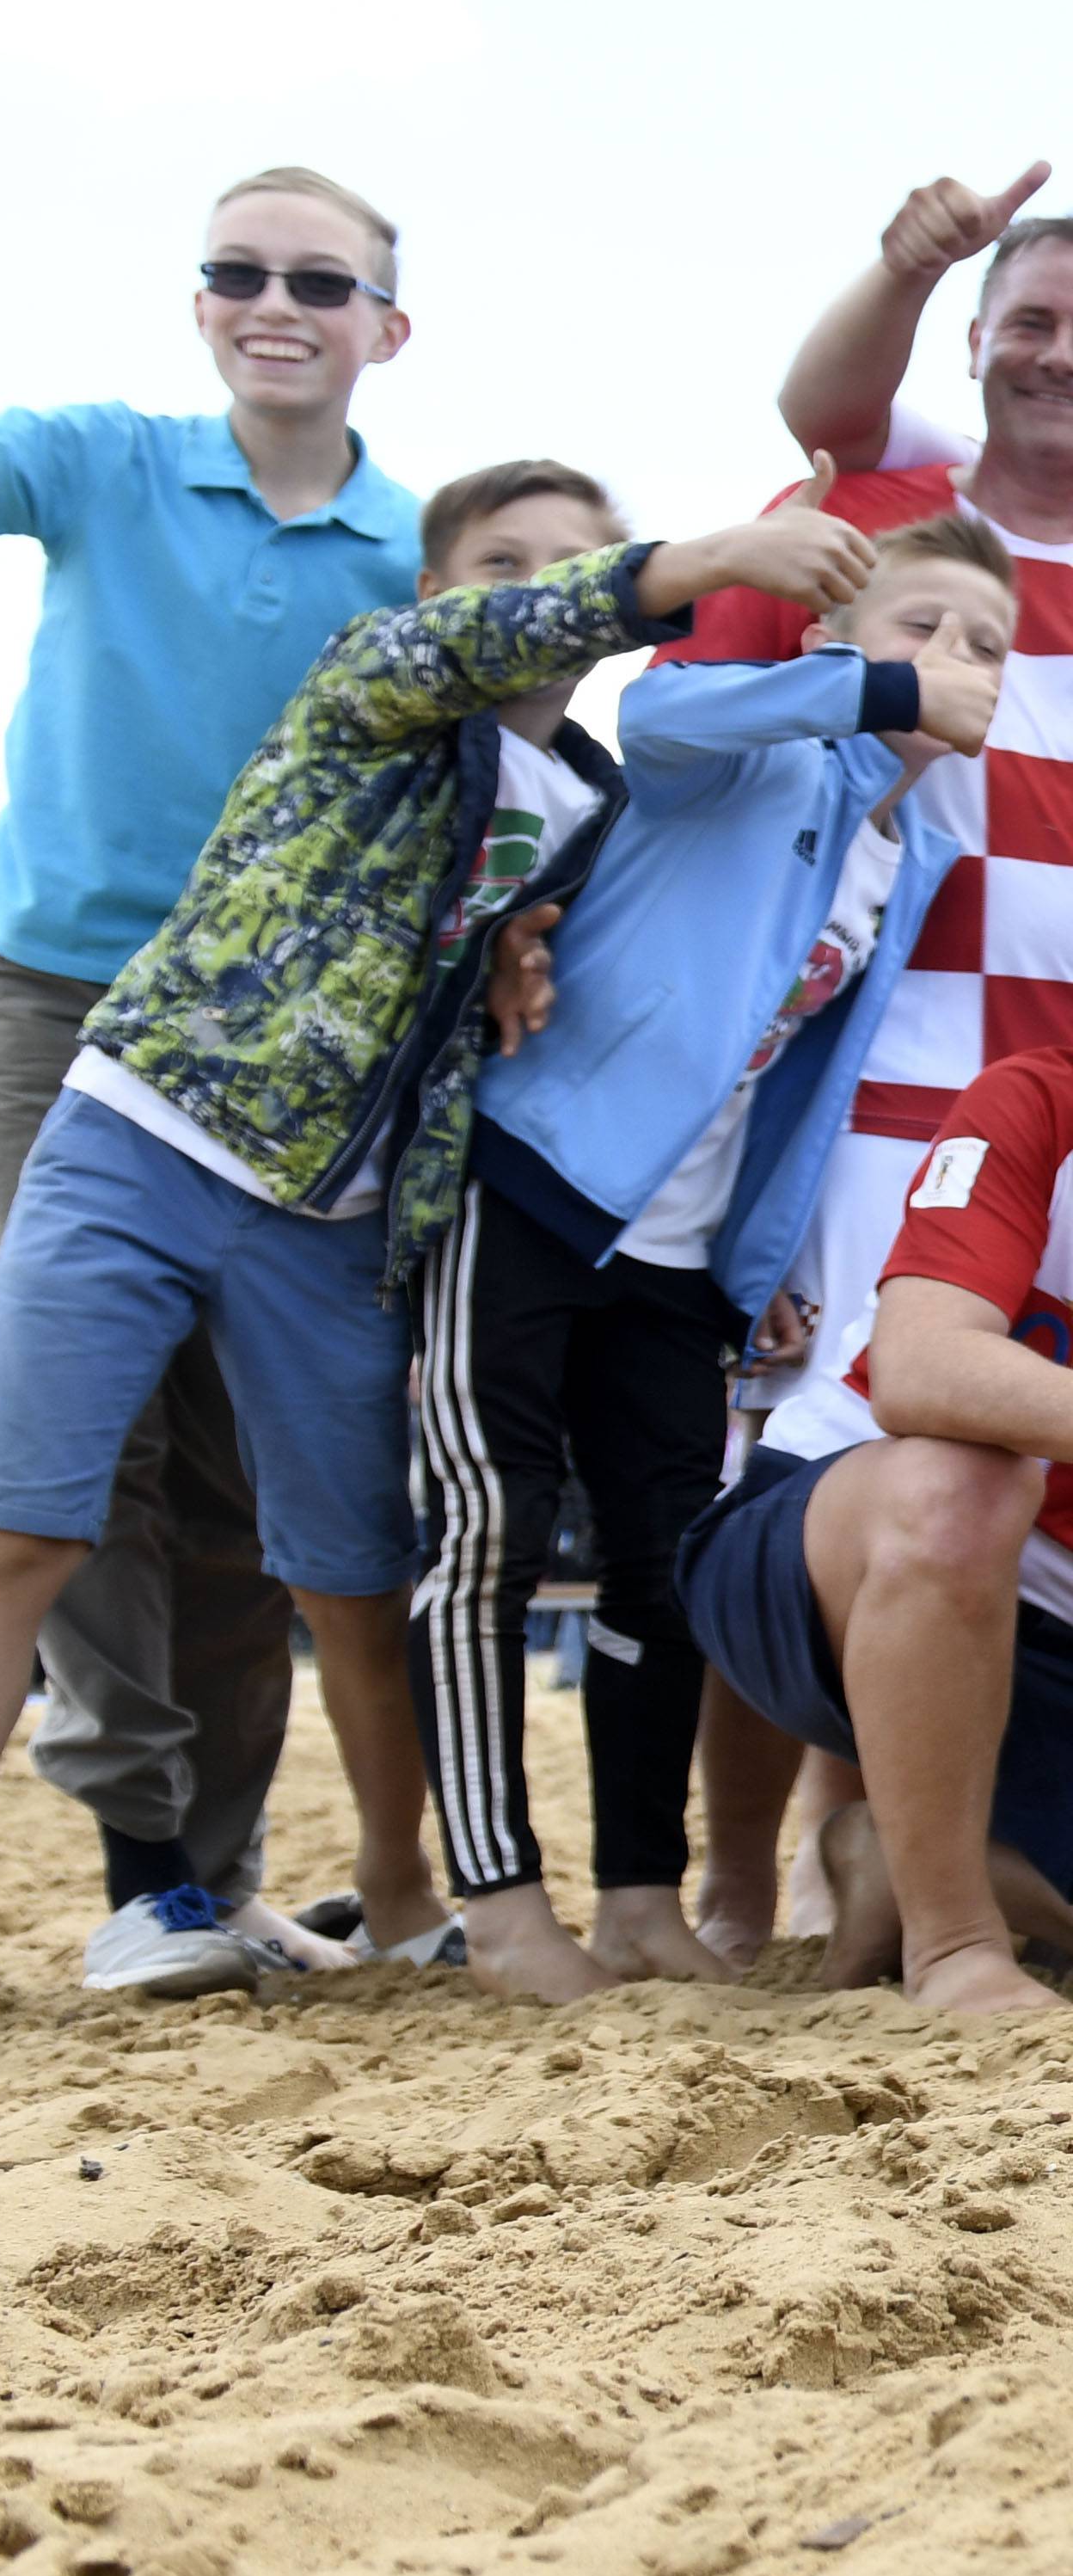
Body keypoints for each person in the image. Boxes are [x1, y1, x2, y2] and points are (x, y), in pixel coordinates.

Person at [0, 472, 868, 2040]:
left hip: (345, 1221)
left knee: (358, 1570)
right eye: (504, 568)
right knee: (20, 1524)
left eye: (570, 564)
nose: (545, 592)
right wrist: (693, 562)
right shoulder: (372, 686)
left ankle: (400, 1893)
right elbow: (498, 644)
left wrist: (529, 962)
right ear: (443, 595)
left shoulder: (596, 808)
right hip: (148, 1131)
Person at [0, 104, 420, 1988]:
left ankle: (203, 1872)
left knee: (238, 1472)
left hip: (271, 1046)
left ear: (387, 326)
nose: (270, 303)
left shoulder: (415, 554)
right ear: (199, 308)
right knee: (86, 1439)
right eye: (234, 273)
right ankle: (146, 1866)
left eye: (315, 279)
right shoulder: (105, 466)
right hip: (51, 999)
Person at [408, 511, 1010, 2001]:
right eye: (917, 625)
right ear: (828, 642)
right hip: (536, 1177)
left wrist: (771, 1252)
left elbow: (796, 1073)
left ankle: (636, 1900)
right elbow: (659, 704)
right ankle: (498, 1905)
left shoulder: (917, 854)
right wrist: (871, 693)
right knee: (489, 1528)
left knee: (661, 1571)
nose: (952, 663)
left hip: (686, 1260)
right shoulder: (747, 752)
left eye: (987, 644)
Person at [654, 158, 1073, 1955]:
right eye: (1031, 325)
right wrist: (907, 263)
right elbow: (818, 413)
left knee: (955, 1466)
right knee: (818, 1436)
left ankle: (888, 1850)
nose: (1056, 357)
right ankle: (761, 1862)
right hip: (885, 1072)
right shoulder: (912, 509)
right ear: (975, 345)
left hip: (1048, 1070)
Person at [677, 1044, 1073, 2018]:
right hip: (826, 1552)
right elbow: (921, 1369)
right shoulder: (1038, 1097)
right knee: (961, 1477)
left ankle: (900, 1861)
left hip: (1040, 1643)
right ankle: (956, 1943)